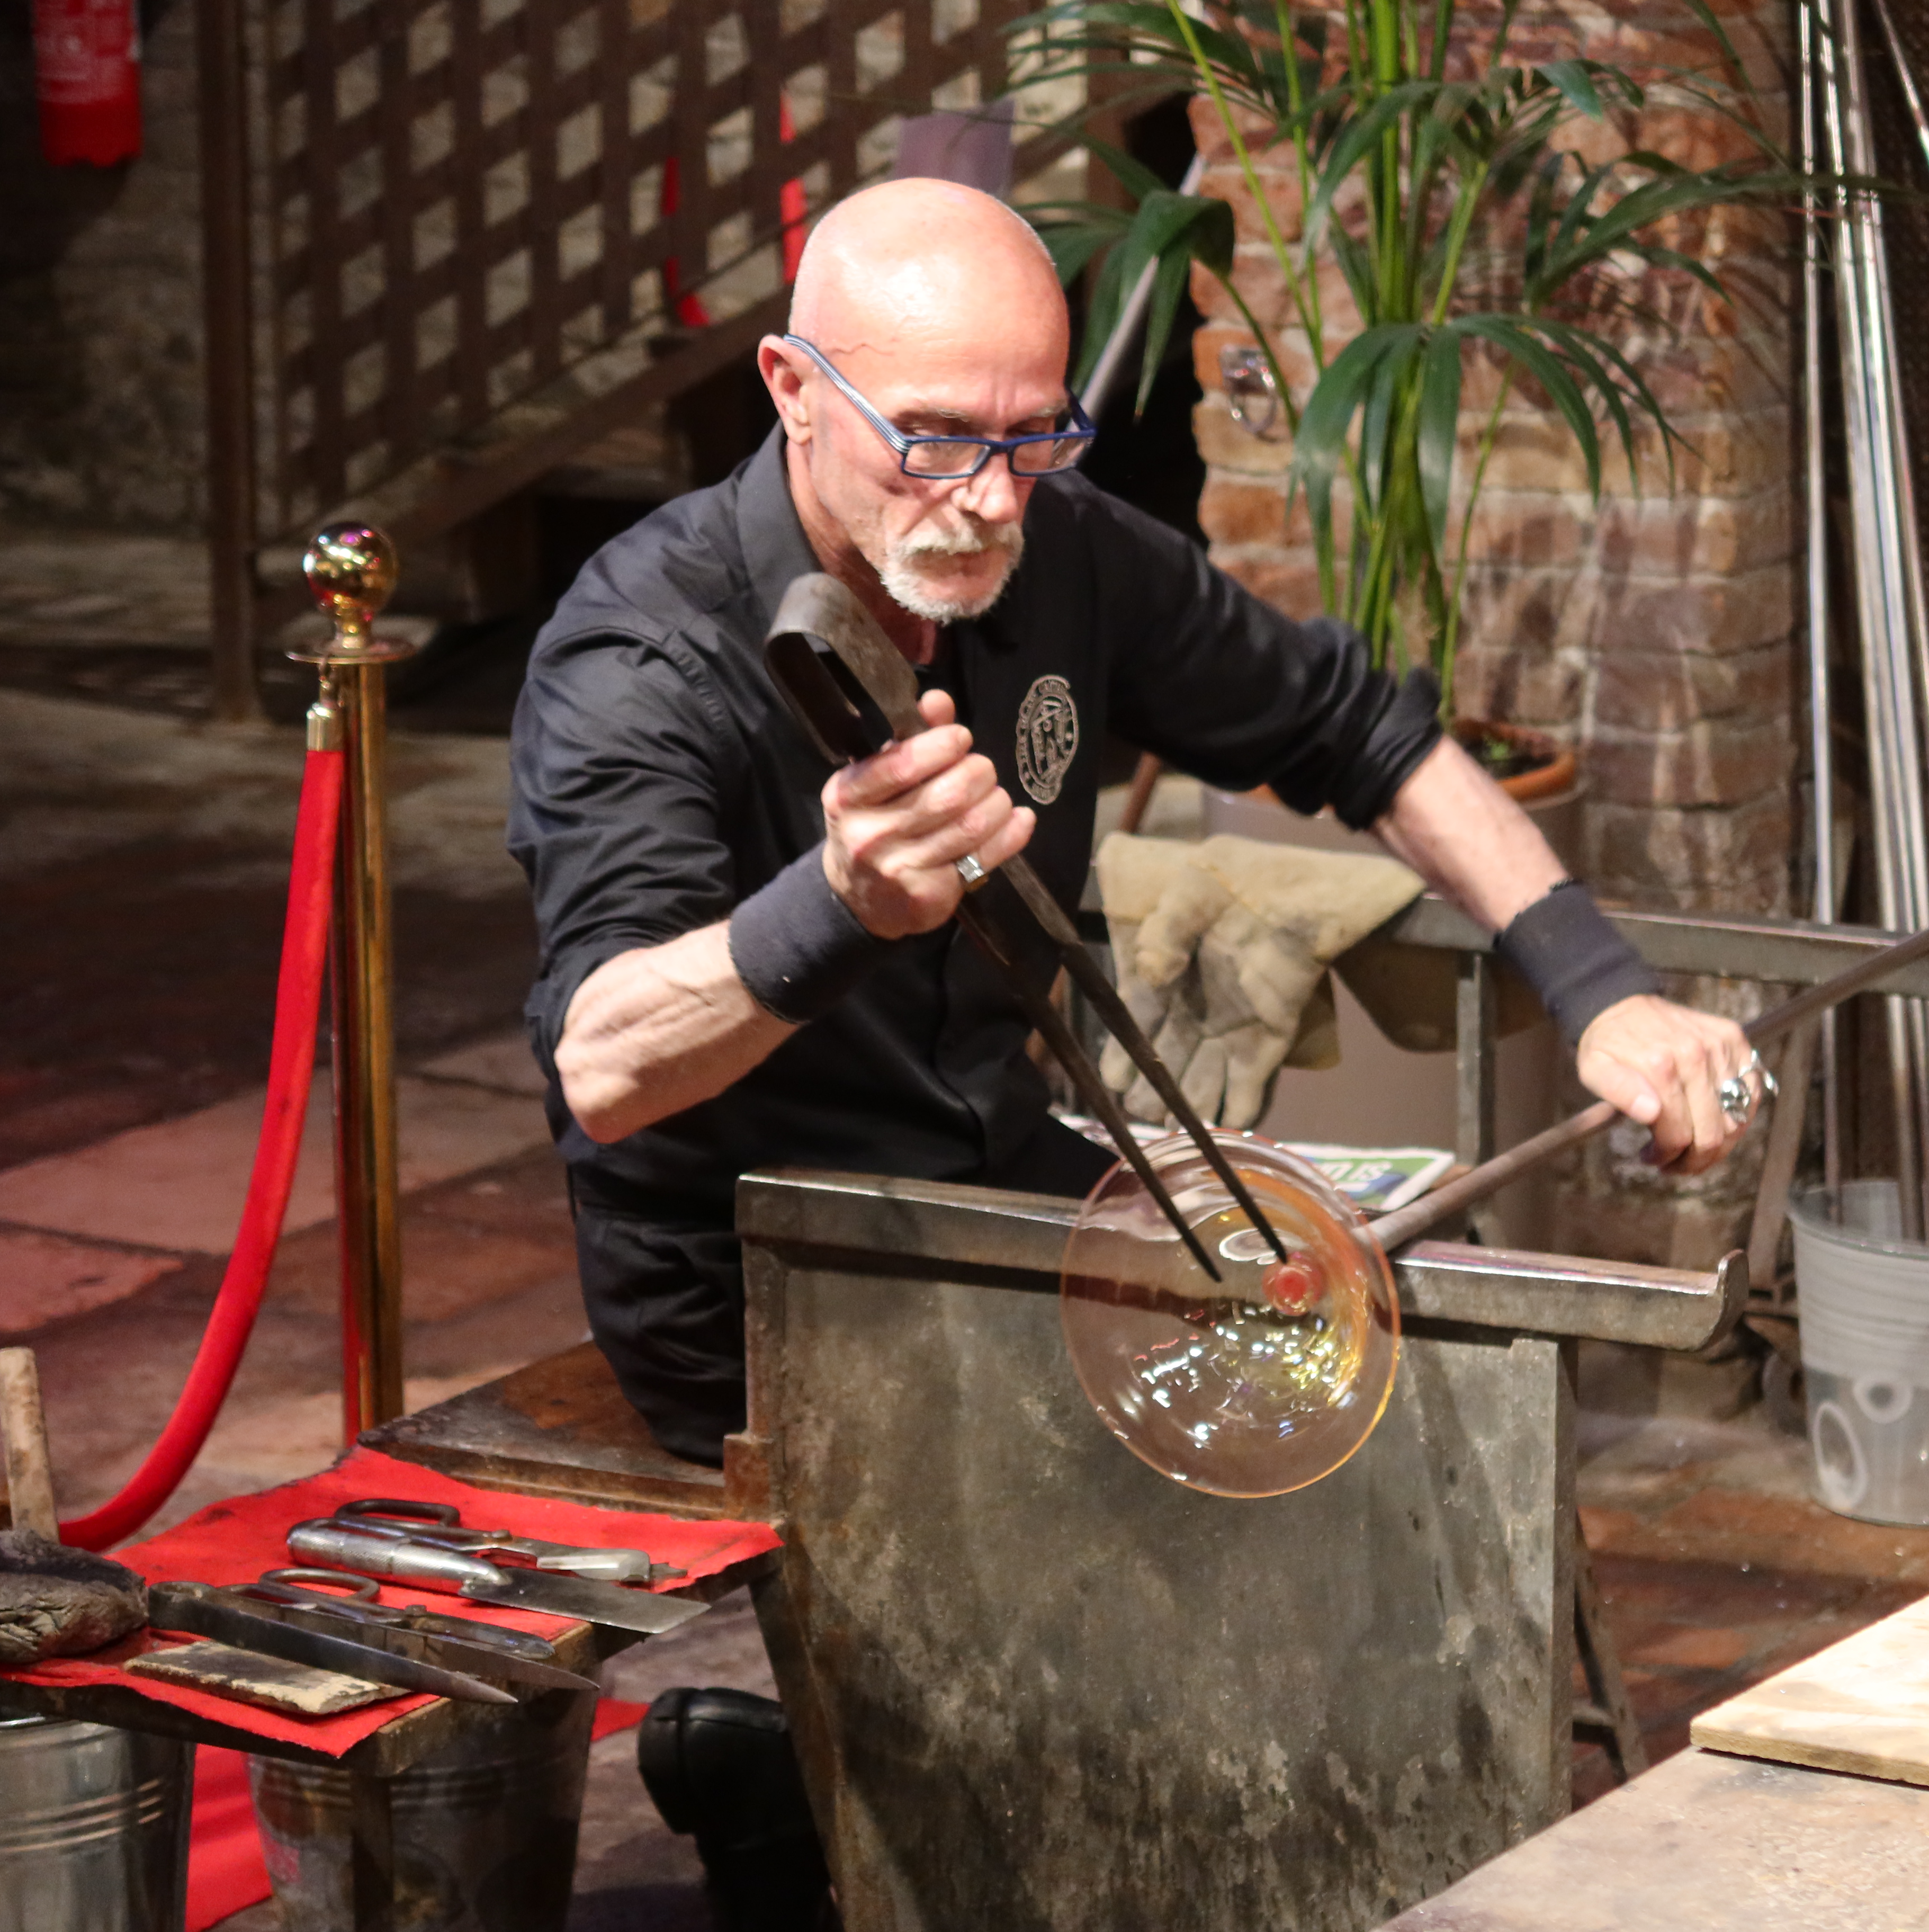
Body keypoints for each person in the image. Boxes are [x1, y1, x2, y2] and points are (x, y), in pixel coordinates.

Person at [508, 176, 1757, 1470]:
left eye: (1030, 436)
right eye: (931, 440)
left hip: (995, 1183)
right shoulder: (639, 656)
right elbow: (601, 1072)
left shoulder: (1060, 550)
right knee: (1192, 1482)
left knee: (1410, 1339)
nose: (988, 499)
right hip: (757, 1273)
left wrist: (1600, 987)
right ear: (793, 387)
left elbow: (1360, 732)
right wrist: (838, 908)